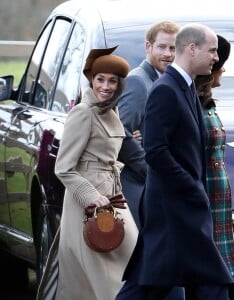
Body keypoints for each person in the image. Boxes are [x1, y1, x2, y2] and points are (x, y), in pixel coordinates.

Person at [117, 23, 234, 300]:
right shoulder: (165, 90)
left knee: (150, 283)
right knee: (213, 278)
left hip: (179, 206)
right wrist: (191, 187)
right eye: (213, 51)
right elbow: (156, 152)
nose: (216, 58)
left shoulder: (186, 88)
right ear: (192, 49)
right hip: (173, 207)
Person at [51, 46, 138, 300]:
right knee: (97, 275)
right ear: (92, 79)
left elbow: (108, 149)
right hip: (88, 204)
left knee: (128, 263)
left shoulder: (111, 110)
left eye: (113, 81)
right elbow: (63, 167)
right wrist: (90, 196)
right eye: (100, 79)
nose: (106, 86)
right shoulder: (82, 112)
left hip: (112, 197)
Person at [194, 35, 234, 300]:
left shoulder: (207, 103)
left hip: (220, 207)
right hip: (206, 200)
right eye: (219, 63)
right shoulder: (190, 102)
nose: (223, 68)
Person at [118, 20, 180, 229]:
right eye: (162, 47)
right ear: (148, 47)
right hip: (137, 184)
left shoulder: (164, 80)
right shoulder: (138, 81)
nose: (168, 54)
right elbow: (121, 132)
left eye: (173, 48)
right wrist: (149, 170)